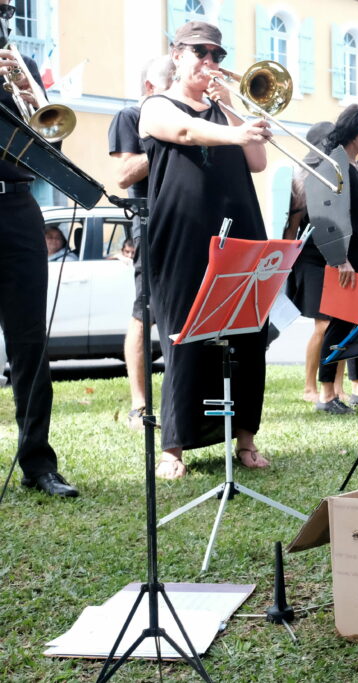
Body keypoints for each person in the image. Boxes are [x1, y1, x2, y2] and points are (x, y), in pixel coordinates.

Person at [138, 21, 272, 479]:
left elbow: (258, 162)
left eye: (218, 55)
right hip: (183, 233)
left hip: (241, 229)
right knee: (184, 334)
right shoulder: (156, 104)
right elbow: (185, 132)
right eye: (201, 53)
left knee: (249, 335)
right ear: (177, 55)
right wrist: (237, 133)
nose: (211, 63)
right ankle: (173, 448)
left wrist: (232, 108)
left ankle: (246, 439)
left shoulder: (225, 111)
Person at [0, 2, 78, 497]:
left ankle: (38, 463)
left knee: (30, 343)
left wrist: (33, 97)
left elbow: (52, 152)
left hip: (17, 207)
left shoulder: (18, 70)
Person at [284, 118, 358, 413]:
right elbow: (293, 224)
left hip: (339, 253)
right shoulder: (306, 175)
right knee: (324, 323)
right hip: (312, 256)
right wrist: (286, 261)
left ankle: (337, 388)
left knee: (343, 320)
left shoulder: (345, 169)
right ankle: (311, 388)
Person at [108, 55, 173, 431]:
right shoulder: (130, 116)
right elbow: (123, 175)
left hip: (187, 225)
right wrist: (164, 139)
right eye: (171, 85)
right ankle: (139, 406)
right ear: (151, 87)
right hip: (151, 226)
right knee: (143, 313)